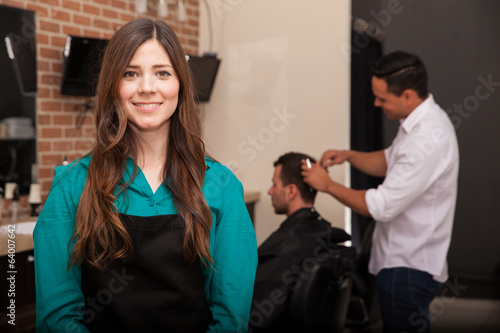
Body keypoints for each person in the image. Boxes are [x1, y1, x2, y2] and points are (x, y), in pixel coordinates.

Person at [34, 18, 257, 333]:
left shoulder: (221, 185)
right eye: (130, 73)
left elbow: (230, 318)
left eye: (162, 72)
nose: (147, 87)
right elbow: (57, 316)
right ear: (113, 85)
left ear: (180, 83)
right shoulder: (73, 184)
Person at [301, 51, 459, 333]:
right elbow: (390, 160)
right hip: (404, 263)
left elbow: (380, 205)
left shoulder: (427, 139)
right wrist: (348, 155)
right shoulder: (418, 122)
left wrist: (327, 185)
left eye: (382, 98)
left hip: (408, 269)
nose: (376, 103)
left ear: (408, 96)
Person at [249, 152, 351, 332]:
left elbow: (254, 319)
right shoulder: (327, 235)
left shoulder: (283, 251)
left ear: (291, 191)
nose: (269, 191)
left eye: (274, 184)